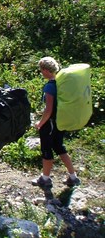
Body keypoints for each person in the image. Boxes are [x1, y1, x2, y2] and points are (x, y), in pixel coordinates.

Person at [31, 57, 80, 188]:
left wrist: (40, 124)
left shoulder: (50, 87)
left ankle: (45, 179)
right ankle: (73, 177)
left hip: (50, 123)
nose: (41, 73)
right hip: (61, 120)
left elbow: (48, 110)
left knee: (47, 150)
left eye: (41, 70)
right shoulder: (62, 83)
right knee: (59, 147)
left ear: (46, 70)